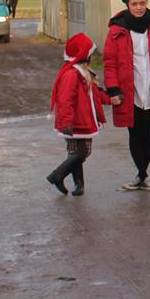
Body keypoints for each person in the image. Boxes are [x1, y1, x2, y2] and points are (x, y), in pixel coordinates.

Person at [104, 0, 150, 191]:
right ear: (127, 6)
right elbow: (109, 62)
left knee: (146, 132)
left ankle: (143, 174)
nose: (139, 8)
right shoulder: (116, 30)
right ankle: (142, 174)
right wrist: (112, 88)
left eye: (142, 3)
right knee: (134, 132)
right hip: (129, 90)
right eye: (135, 4)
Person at [46, 33, 108, 195]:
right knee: (82, 152)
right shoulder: (71, 74)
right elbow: (65, 100)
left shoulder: (84, 72)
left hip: (83, 120)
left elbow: (95, 94)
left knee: (76, 153)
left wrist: (110, 99)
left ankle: (78, 184)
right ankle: (57, 175)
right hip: (75, 122)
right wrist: (66, 122)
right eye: (90, 54)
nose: (92, 57)